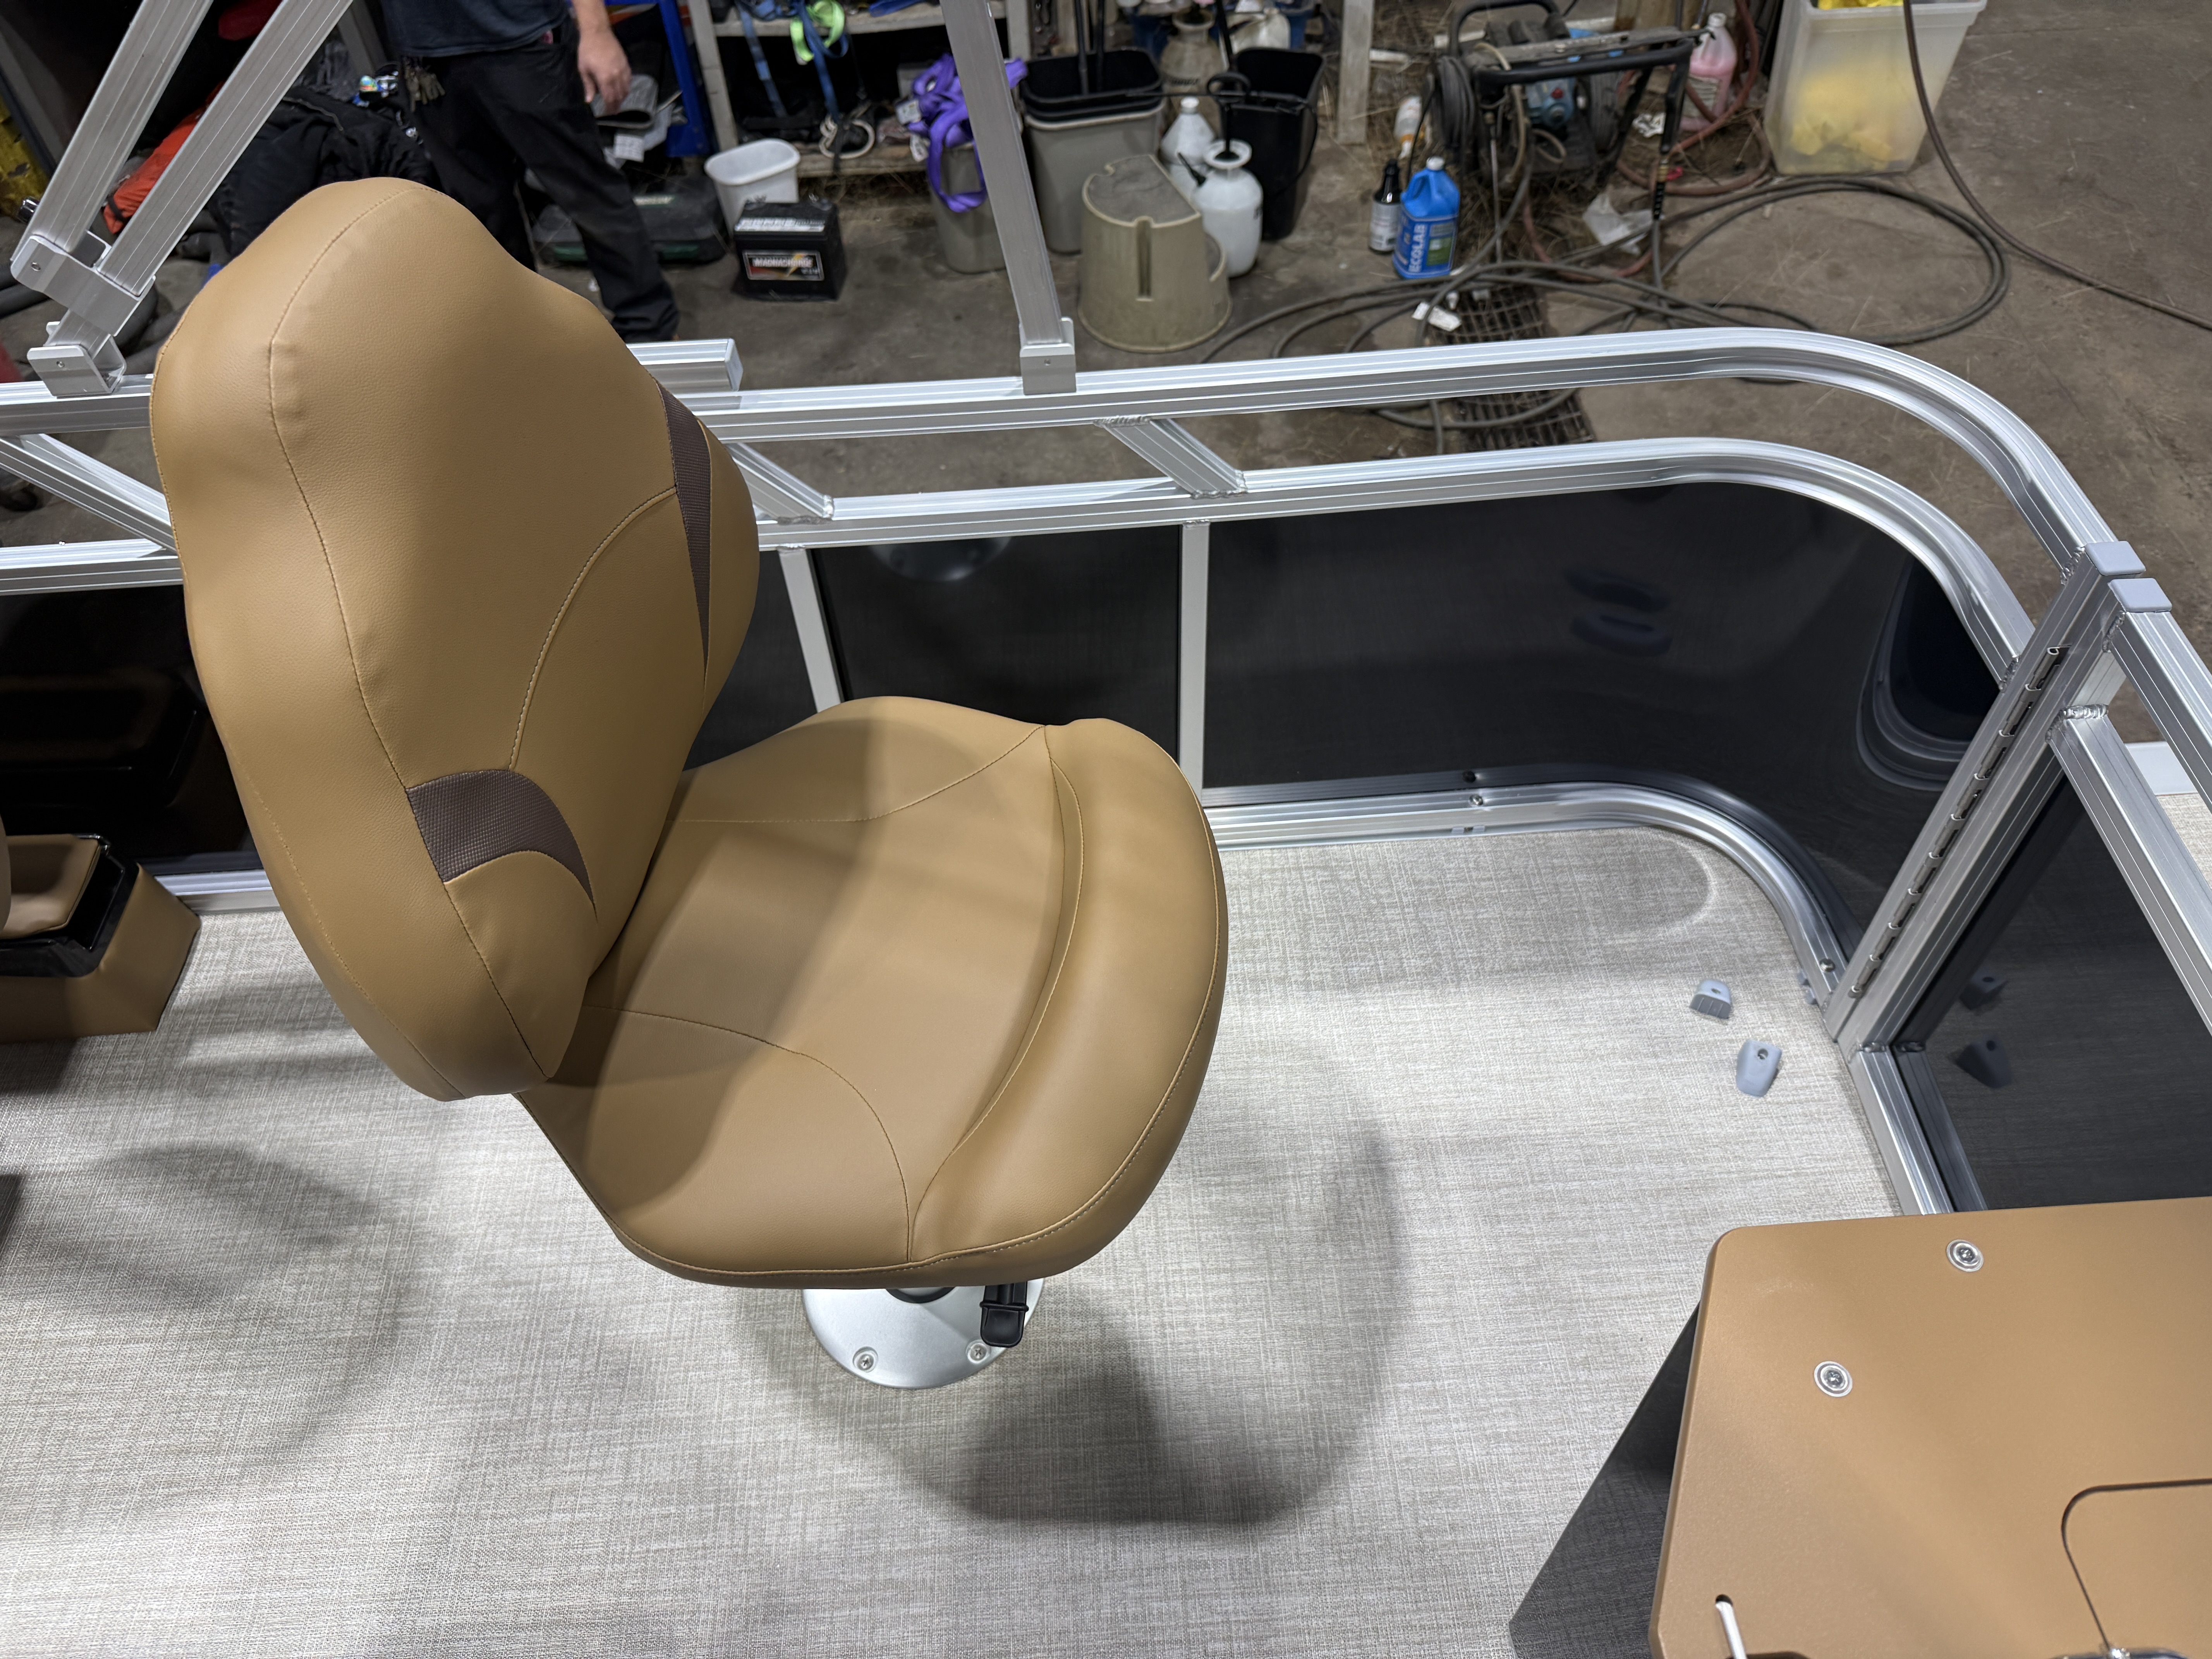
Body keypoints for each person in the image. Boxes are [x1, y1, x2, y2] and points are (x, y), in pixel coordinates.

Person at [378, 0, 680, 341]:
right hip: (427, 61)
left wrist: (596, 31)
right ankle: (526, 338)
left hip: (523, 42)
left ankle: (649, 328)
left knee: (587, 192)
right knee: (482, 215)